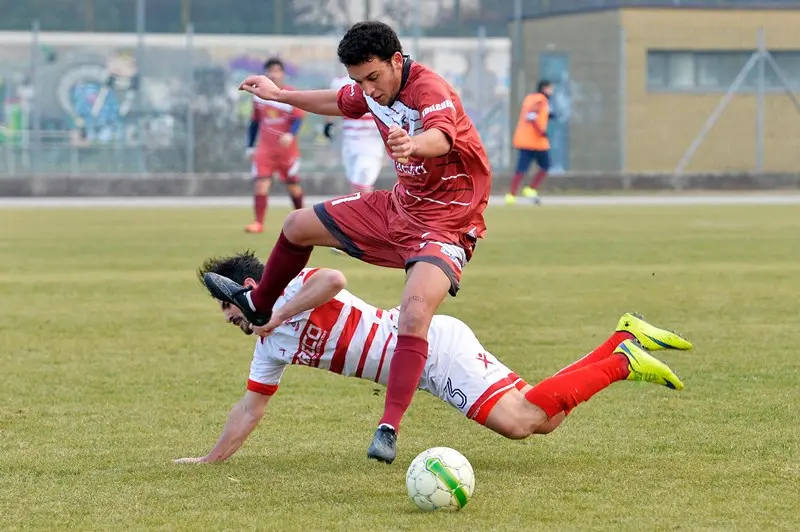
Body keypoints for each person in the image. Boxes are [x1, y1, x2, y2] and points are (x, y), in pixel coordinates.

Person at [202, 21, 492, 464]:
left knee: (414, 314)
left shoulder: (430, 89)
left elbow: (440, 136)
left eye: (373, 78)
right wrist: (280, 94)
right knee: (297, 224)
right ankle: (260, 304)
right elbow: (337, 102)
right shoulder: (370, 89)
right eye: (360, 80)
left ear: (397, 60)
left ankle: (388, 428)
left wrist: (413, 145)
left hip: (448, 220)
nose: (368, 90)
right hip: (399, 207)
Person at [176, 252, 692, 465]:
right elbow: (249, 409)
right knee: (545, 419)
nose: (227, 318)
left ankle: (623, 361)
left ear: (248, 290)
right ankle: (618, 340)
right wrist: (208, 461)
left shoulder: (294, 287)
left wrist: (275, 310)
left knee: (521, 422)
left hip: (434, 351)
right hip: (430, 361)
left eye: (226, 306)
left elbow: (334, 279)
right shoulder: (270, 346)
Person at [245, 58, 305, 234]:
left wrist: (290, 134)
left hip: (287, 150)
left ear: (283, 73)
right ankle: (258, 222)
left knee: (293, 186)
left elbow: (299, 117)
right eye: (270, 70)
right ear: (265, 74)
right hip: (265, 148)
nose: (274, 74)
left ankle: (301, 218)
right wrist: (249, 146)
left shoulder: (290, 94)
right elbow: (254, 123)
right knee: (261, 183)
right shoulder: (258, 97)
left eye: (277, 70)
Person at [325, 74, 385, 194]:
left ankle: (366, 210)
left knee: (362, 181)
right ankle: (363, 210)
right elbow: (332, 103)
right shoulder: (340, 81)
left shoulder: (380, 78)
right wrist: (329, 125)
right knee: (355, 183)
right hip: (350, 140)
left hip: (371, 141)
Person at [506, 80, 554, 206]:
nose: (551, 91)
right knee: (546, 165)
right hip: (536, 141)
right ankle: (530, 189)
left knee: (521, 168)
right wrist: (541, 131)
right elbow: (532, 115)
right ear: (544, 88)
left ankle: (512, 195)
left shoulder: (529, 98)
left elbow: (532, 113)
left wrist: (549, 115)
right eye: (550, 88)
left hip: (523, 139)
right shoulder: (541, 99)